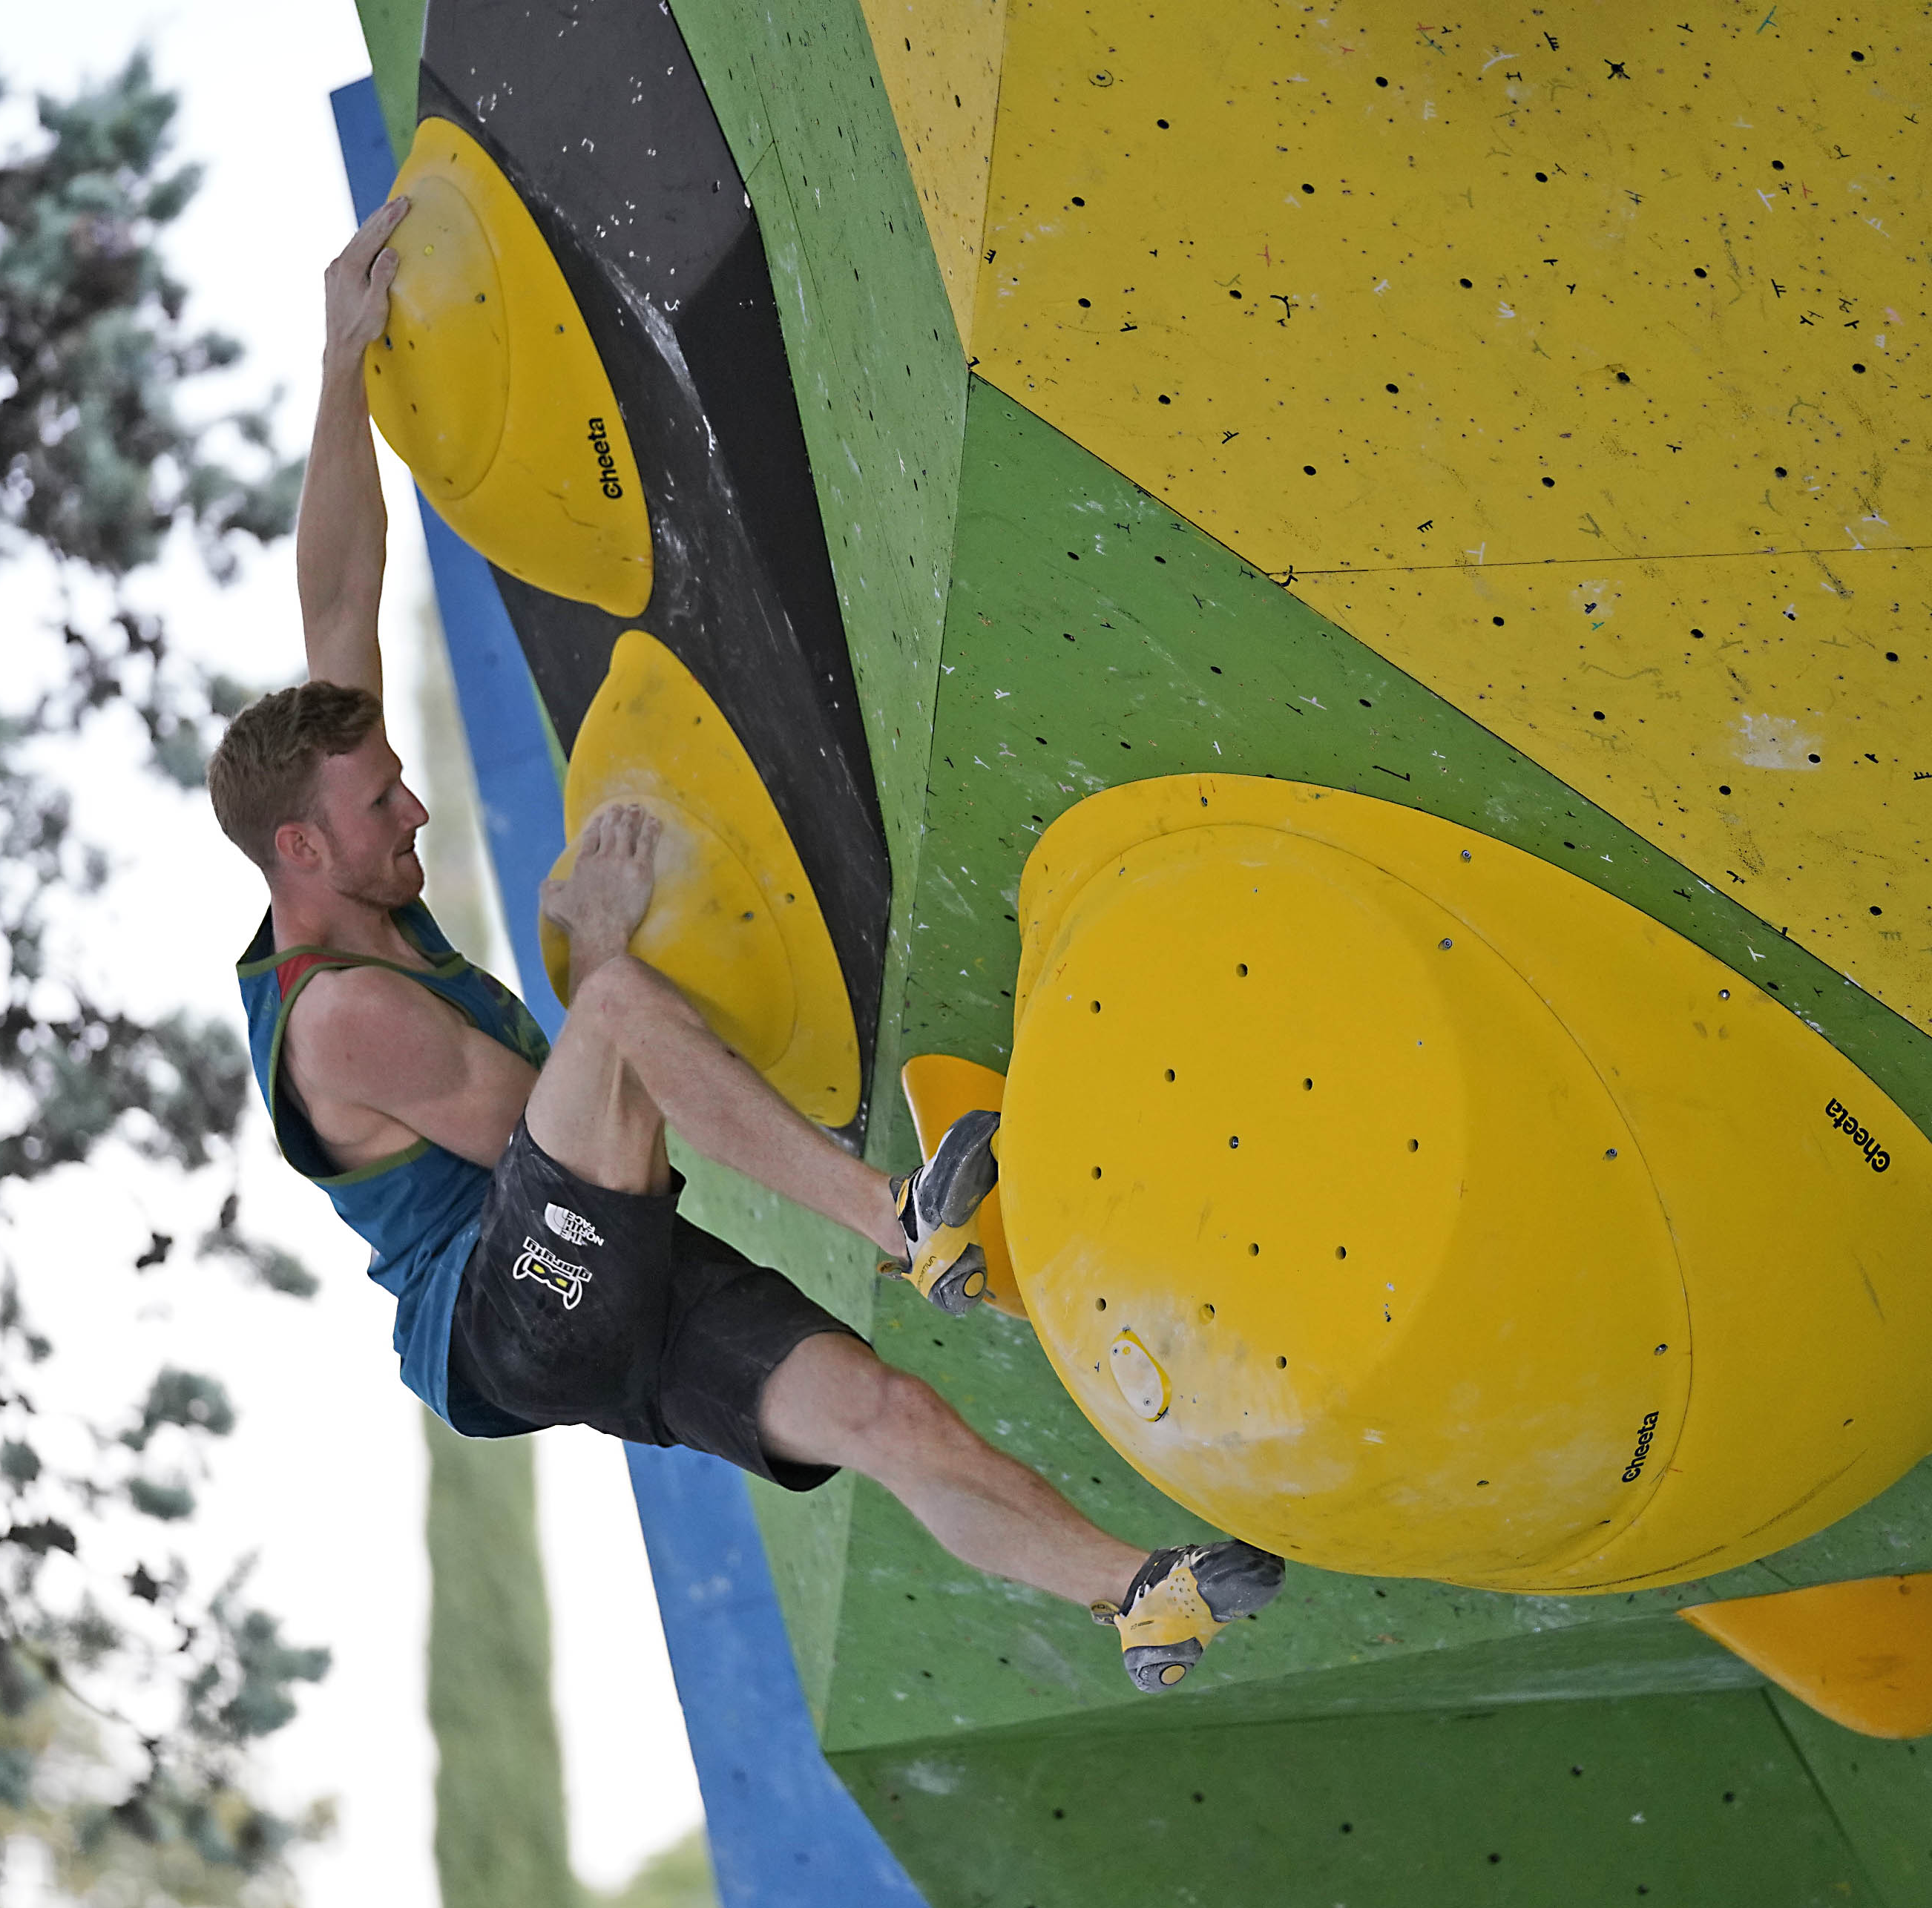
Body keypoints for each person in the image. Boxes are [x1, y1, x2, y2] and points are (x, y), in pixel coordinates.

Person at [205, 200, 1282, 1692]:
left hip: (587, 1284)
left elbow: (334, 597)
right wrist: (586, 944)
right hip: (511, 1316)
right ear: (298, 855)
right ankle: (911, 1228)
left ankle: (1138, 1598)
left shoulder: (333, 854)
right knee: (626, 1012)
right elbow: (569, 1139)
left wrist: (340, 360)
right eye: (380, 804)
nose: (414, 808)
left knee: (883, 1418)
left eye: (399, 779)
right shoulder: (341, 1022)